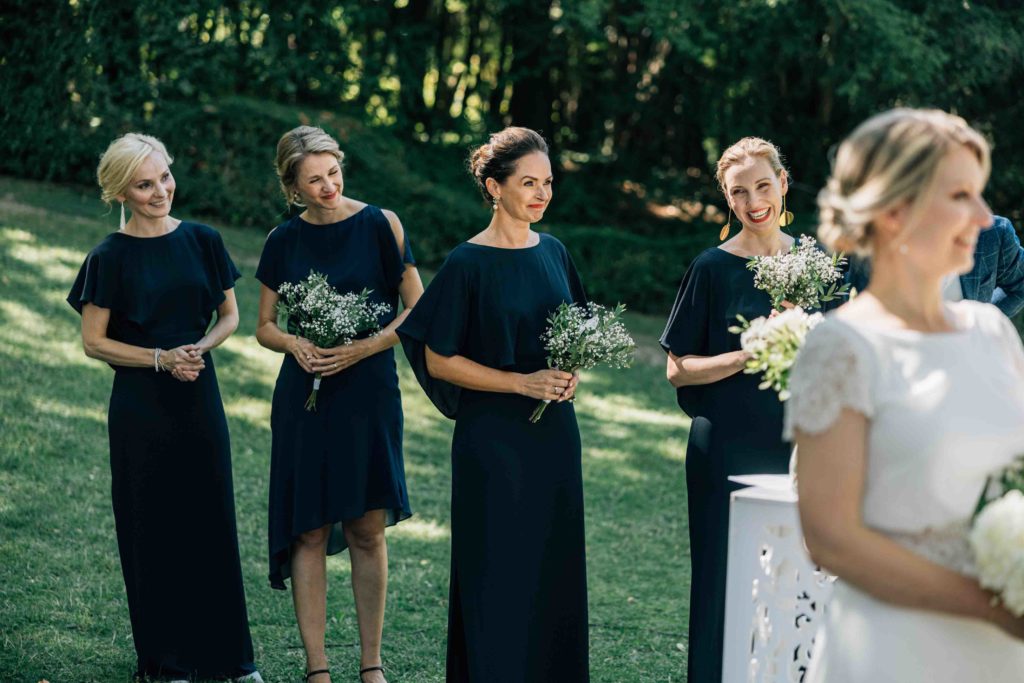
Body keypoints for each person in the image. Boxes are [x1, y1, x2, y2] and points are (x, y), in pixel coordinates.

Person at [787, 108, 1024, 681]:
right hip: (895, 648)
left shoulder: (992, 332)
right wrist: (991, 608)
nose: (985, 215)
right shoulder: (839, 348)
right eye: (961, 195)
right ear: (896, 210)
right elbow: (832, 540)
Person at [396, 127, 589, 682]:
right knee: (497, 568)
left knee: (553, 563)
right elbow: (438, 359)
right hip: (493, 441)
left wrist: (569, 374)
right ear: (493, 186)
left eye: (547, 182)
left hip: (555, 436)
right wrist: (520, 384)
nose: (541, 194)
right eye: (528, 182)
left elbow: (576, 332)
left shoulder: (554, 252)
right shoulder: (467, 262)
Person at [67, 133, 261, 682]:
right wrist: (159, 358)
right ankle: (165, 663)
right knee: (150, 525)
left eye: (165, 178)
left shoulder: (203, 240)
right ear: (120, 191)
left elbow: (229, 317)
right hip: (140, 407)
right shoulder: (108, 256)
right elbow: (94, 342)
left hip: (199, 395)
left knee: (211, 521)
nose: (160, 192)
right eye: (144, 184)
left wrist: (197, 349)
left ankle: (231, 661)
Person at [254, 126, 422, 683]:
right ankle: (317, 669)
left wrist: (365, 347)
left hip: (368, 390)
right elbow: (264, 327)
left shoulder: (382, 225)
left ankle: (371, 664)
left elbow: (417, 311)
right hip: (304, 395)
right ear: (292, 187)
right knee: (307, 528)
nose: (328, 186)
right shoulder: (282, 240)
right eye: (313, 180)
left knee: (366, 528)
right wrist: (295, 343)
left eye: (333, 172)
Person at [660, 137, 802, 682]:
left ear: (783, 184)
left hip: (800, 446)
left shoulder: (817, 263)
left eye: (763, 185)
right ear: (727, 198)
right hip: (724, 450)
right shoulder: (711, 268)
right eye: (739, 191)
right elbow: (678, 368)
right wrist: (749, 353)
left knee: (791, 583)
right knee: (723, 583)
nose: (754, 201)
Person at [846, 214, 1024, 317]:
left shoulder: (992, 234)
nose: (982, 211)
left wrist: (983, 322)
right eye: (960, 195)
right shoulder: (871, 241)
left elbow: (1020, 286)